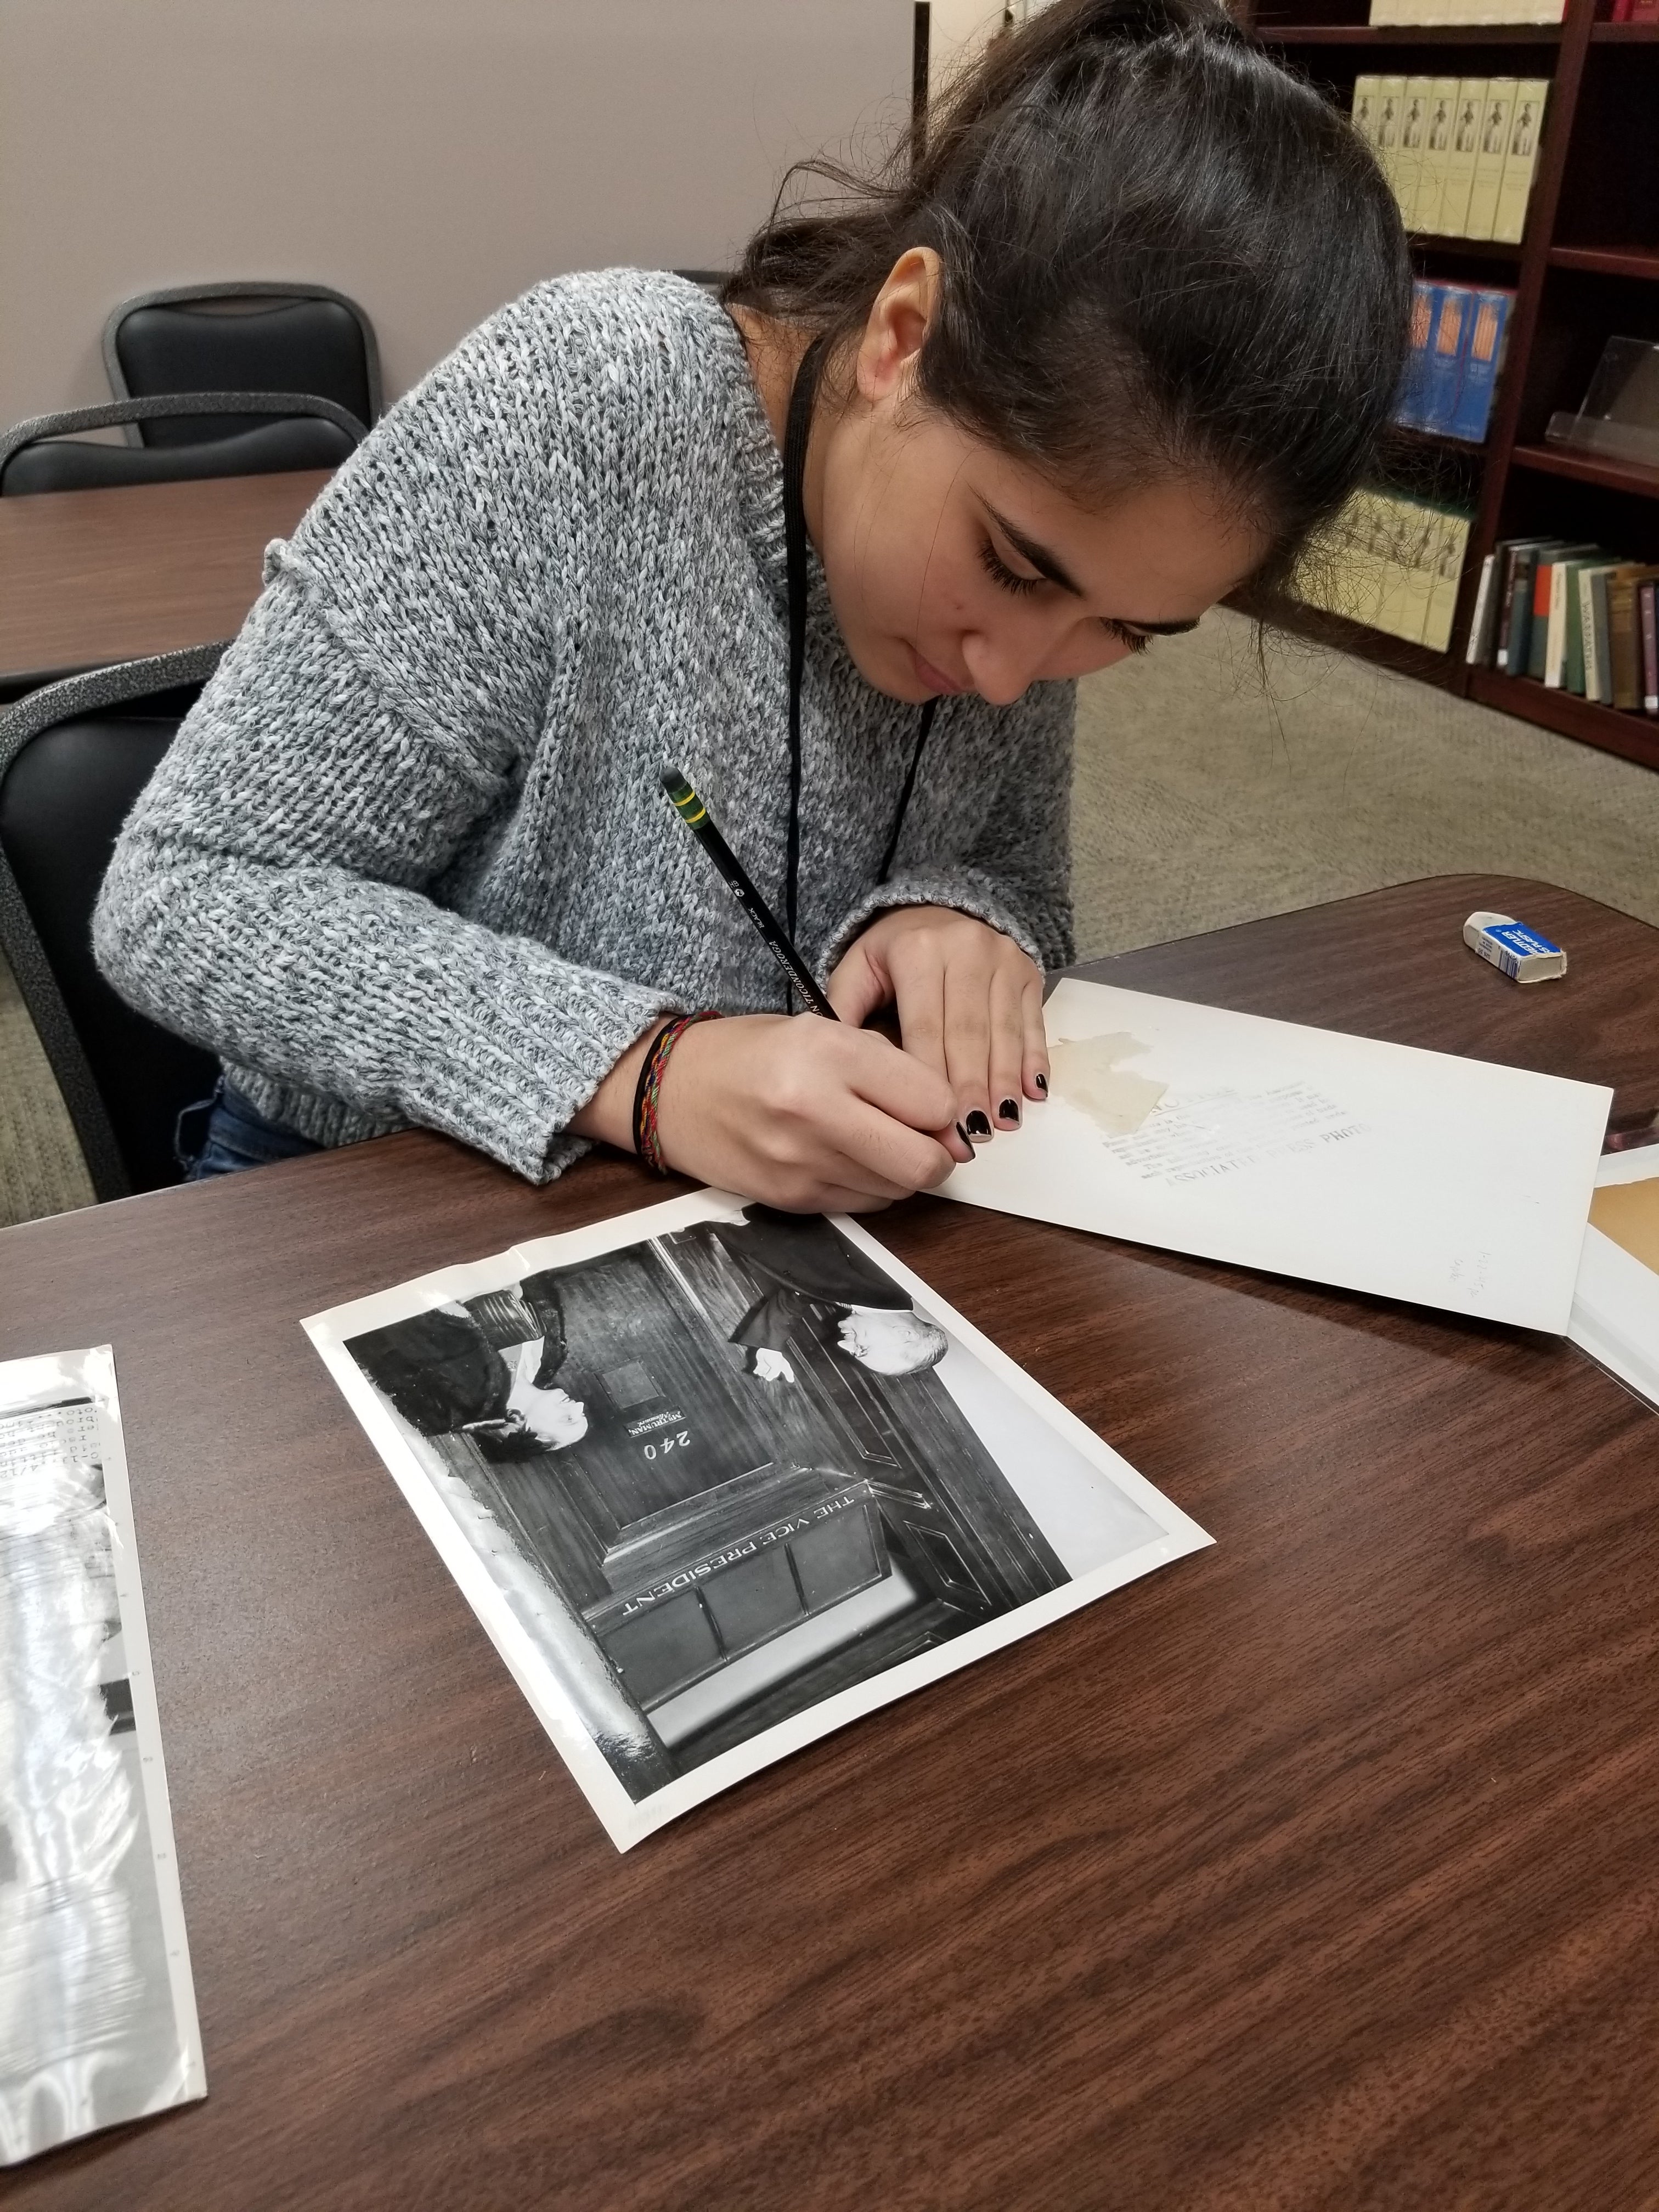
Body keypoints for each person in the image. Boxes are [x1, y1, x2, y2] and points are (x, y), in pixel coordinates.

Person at [93, 0, 1408, 1214]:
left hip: (731, 1221)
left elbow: (1018, 873)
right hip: (367, 1189)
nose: (1018, 676)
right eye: (1016, 566)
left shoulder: (1035, 575)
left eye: (1128, 631)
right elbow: (186, 893)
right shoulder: (580, 402)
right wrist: (643, 1069)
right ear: (903, 336)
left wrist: (964, 921)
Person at [718, 1206, 950, 1380]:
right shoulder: (895, 1277)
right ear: (904, 1334)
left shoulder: (863, 1300)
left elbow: (795, 1298)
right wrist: (746, 1209)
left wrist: (770, 1347)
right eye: (862, 1349)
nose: (845, 1347)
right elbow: (827, 1214)